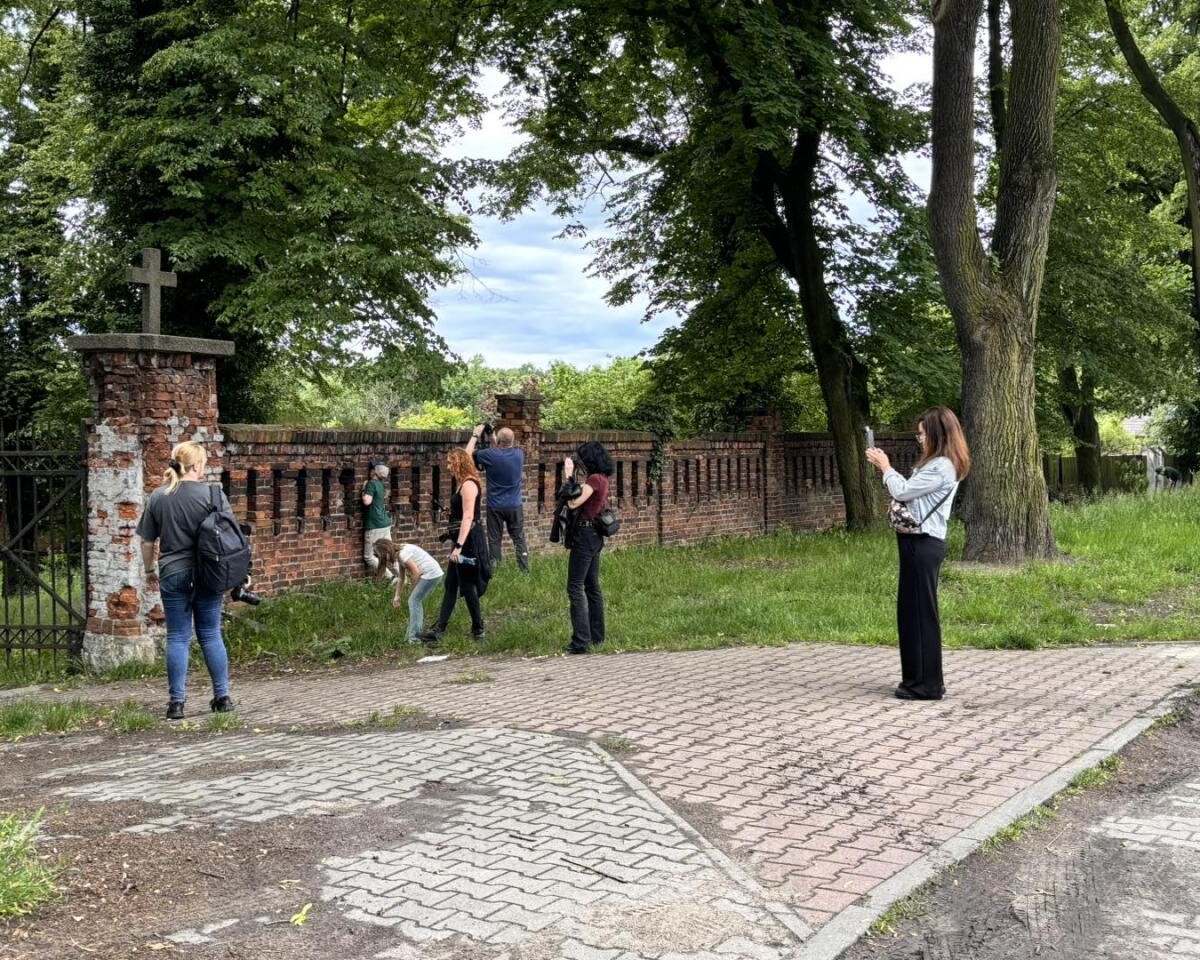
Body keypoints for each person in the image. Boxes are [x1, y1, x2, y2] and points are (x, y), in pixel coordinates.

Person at [866, 407, 971, 701]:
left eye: (923, 433)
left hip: (922, 542)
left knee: (920, 614)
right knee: (913, 613)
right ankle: (918, 679)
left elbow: (903, 492)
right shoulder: (940, 464)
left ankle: (925, 685)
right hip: (919, 542)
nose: (920, 438)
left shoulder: (941, 467)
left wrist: (885, 467)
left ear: (937, 434)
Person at [136, 441, 235, 720]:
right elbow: (231, 538)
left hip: (173, 573)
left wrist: (149, 571)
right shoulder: (214, 495)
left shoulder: (158, 496)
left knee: (178, 637)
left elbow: (147, 541)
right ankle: (222, 698)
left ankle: (176, 704)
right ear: (196, 465)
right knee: (211, 634)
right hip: (208, 574)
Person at [417, 449, 491, 643]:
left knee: (467, 584)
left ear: (459, 463)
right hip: (461, 537)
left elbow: (469, 517)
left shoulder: (469, 484)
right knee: (451, 583)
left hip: (468, 540)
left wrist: (458, 546)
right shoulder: (462, 484)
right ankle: (440, 629)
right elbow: (462, 512)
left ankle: (478, 628)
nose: (448, 467)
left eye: (450, 463)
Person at [562, 440, 613, 655]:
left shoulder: (593, 480)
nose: (580, 462)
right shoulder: (603, 478)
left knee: (575, 586)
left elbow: (573, 502)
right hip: (595, 535)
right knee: (592, 586)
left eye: (582, 459)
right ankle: (597, 635)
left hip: (585, 534)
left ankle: (581, 640)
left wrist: (568, 476)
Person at [467, 424, 530, 571]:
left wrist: (476, 435)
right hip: (515, 505)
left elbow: (467, 454)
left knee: (494, 540)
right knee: (519, 538)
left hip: (495, 506)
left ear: (499, 440)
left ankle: (496, 569)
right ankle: (524, 568)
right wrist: (495, 440)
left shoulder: (489, 455)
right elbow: (502, 450)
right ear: (513, 440)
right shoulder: (519, 454)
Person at [374, 539, 444, 643]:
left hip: (431, 574)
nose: (386, 560)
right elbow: (401, 578)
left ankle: (414, 638)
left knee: (414, 601)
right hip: (431, 574)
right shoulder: (400, 556)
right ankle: (413, 635)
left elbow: (416, 572)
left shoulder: (403, 554)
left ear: (387, 551)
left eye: (384, 557)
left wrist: (412, 590)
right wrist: (397, 596)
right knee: (415, 601)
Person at [361, 461, 395, 581]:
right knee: (391, 552)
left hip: (375, 524)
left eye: (371, 469)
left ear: (375, 471)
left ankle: (391, 578)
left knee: (368, 557)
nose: (369, 471)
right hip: (385, 523)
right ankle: (403, 576)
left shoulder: (371, 483)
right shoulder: (381, 484)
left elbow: (367, 501)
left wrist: (364, 490)